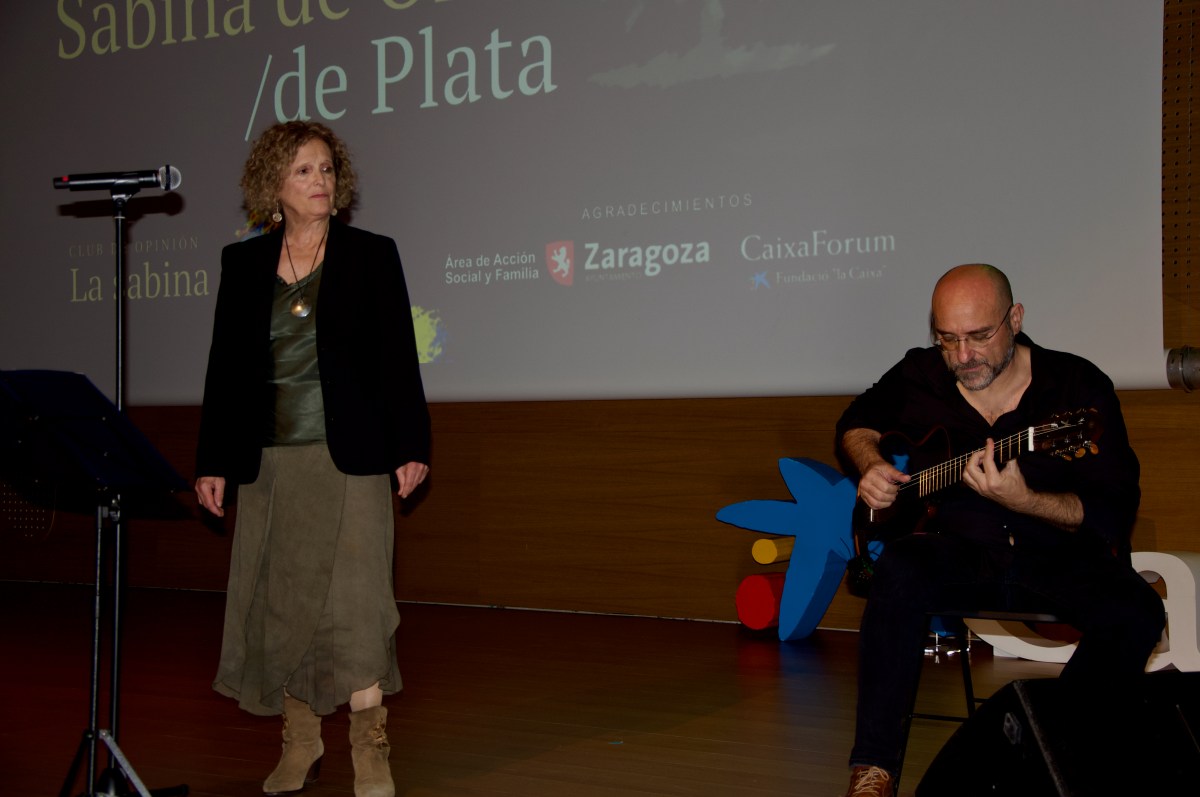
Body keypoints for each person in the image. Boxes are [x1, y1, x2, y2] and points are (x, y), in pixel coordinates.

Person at [835, 264, 1164, 797]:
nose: (963, 355)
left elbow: (1112, 509)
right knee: (899, 569)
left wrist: (1026, 501)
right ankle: (874, 771)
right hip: (964, 551)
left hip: (1058, 556)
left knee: (1138, 611)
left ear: (1015, 319)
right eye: (948, 339)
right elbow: (855, 422)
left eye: (979, 336)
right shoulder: (921, 375)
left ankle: (1049, 748)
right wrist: (870, 463)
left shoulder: (1076, 386)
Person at [195, 120, 431, 797]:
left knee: (359, 604)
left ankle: (370, 748)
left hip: (352, 459)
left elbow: (398, 359)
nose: (320, 180)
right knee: (284, 606)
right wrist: (212, 459)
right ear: (274, 183)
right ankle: (300, 743)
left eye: (327, 168)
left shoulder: (371, 255)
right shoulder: (243, 264)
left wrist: (412, 445)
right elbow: (225, 371)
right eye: (303, 170)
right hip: (271, 463)